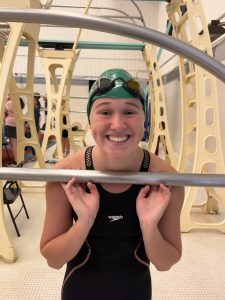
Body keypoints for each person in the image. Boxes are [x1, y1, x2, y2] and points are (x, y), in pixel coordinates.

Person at [40, 69, 184, 300]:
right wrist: (84, 222)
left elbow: (165, 263)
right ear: (90, 121)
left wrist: (149, 225)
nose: (117, 125)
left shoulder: (165, 180)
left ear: (144, 119)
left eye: (129, 111)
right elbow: (54, 260)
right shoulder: (66, 175)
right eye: (105, 111)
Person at [4, 94, 25, 166]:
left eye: (9, 94)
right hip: (17, 124)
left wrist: (5, 101)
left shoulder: (9, 103)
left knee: (13, 144)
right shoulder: (19, 102)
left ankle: (16, 161)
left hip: (10, 124)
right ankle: (19, 160)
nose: (8, 96)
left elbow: (3, 111)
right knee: (17, 144)